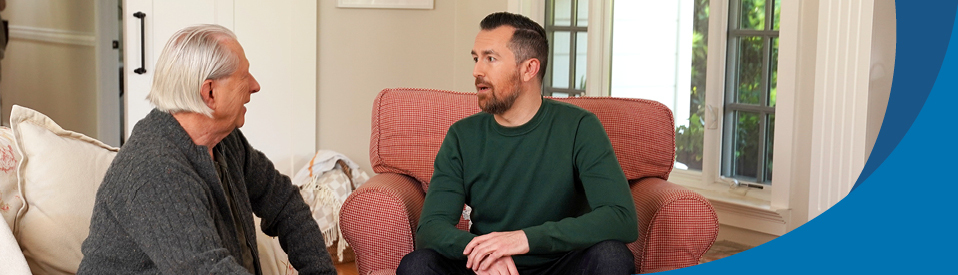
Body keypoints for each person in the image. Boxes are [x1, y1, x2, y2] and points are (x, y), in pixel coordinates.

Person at [78, 24, 336, 275]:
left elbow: (285, 203)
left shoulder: (226, 141)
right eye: (244, 77)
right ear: (209, 92)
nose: (255, 86)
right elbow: (207, 269)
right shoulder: (155, 169)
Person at [397, 12, 638, 275]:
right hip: (487, 269)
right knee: (417, 266)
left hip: (560, 266)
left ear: (528, 69)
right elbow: (431, 228)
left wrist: (524, 239)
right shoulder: (462, 136)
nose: (477, 70)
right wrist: (485, 254)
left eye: (490, 58)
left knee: (613, 256)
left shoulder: (580, 126)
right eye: (476, 58)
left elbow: (621, 218)